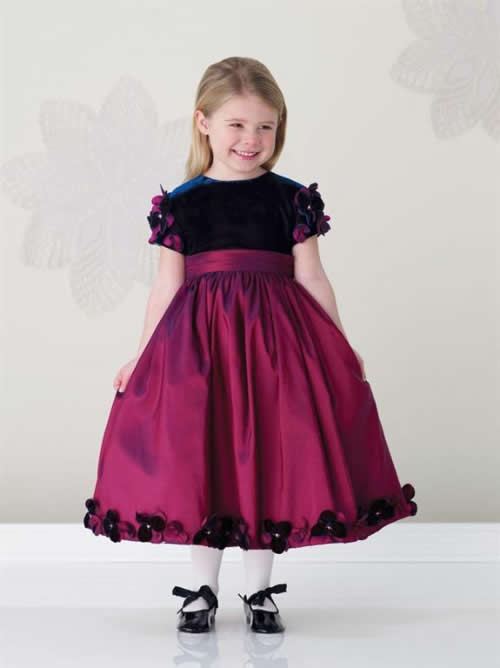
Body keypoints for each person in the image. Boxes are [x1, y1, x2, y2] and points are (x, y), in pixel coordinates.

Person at [83, 56, 418, 634]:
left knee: (268, 457)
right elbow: (166, 286)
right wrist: (141, 355)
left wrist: (339, 343)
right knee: (203, 457)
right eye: (237, 124)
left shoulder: (293, 199)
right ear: (204, 122)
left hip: (275, 348)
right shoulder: (181, 204)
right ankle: (202, 591)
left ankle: (260, 591)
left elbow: (312, 276)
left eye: (265, 126)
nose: (251, 138)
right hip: (199, 349)